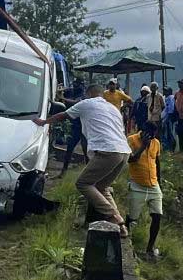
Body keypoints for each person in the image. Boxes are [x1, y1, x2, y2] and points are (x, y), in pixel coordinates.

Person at [33, 84, 132, 237]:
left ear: (89, 94)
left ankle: (114, 216)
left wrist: (43, 122)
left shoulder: (86, 103)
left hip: (108, 151)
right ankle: (121, 226)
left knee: (83, 183)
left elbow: (63, 115)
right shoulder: (113, 109)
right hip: (124, 152)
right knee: (101, 187)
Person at [126, 121, 163, 260]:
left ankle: (150, 248)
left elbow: (157, 162)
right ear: (143, 130)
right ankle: (126, 244)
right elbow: (131, 159)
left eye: (154, 135)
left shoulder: (156, 143)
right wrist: (143, 146)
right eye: (149, 134)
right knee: (132, 218)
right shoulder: (132, 140)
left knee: (157, 216)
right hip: (137, 185)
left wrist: (159, 181)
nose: (152, 137)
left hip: (154, 185)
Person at [56, 78, 89, 178]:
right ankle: (63, 172)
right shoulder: (70, 91)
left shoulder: (83, 95)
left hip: (83, 127)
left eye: (77, 84)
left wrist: (62, 98)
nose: (75, 85)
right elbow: (59, 93)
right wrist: (59, 91)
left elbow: (76, 103)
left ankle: (88, 175)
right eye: (74, 83)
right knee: (69, 149)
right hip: (74, 126)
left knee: (86, 151)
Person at [161, 87, 176, 151]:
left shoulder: (171, 98)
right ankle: (167, 147)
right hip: (164, 119)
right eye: (164, 90)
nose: (164, 92)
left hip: (168, 119)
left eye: (166, 91)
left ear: (169, 91)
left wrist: (166, 120)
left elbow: (171, 110)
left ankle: (170, 148)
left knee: (169, 133)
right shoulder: (165, 98)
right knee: (165, 133)